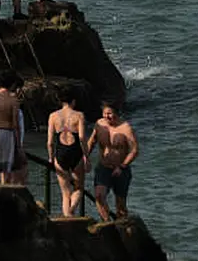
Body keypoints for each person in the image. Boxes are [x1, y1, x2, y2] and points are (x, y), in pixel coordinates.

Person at [87, 102, 139, 221]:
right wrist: (85, 157)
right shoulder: (99, 124)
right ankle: (107, 224)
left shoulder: (126, 128)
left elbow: (134, 150)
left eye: (110, 113)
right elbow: (92, 142)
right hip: (104, 167)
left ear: (116, 113)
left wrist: (122, 166)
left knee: (120, 206)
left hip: (121, 170)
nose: (107, 116)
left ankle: (122, 230)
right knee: (99, 196)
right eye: (104, 113)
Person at [47, 89, 90, 217]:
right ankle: (70, 212)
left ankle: (68, 217)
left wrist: (50, 158)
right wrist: (86, 156)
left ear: (60, 101)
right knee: (78, 188)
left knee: (65, 193)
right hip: (75, 153)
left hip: (60, 154)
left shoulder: (53, 116)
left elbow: (49, 142)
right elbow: (82, 138)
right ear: (73, 101)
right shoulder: (79, 115)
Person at [9, 77, 28, 185]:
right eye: (20, 88)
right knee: (21, 174)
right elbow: (15, 126)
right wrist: (19, 147)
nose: (21, 92)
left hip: (8, 143)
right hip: (14, 145)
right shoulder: (14, 103)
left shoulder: (3, 100)